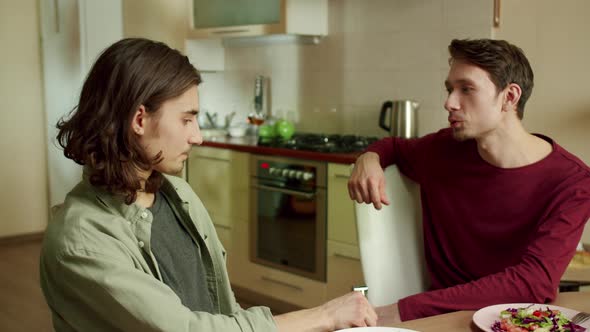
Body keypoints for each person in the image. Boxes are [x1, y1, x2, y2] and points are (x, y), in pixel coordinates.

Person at [40, 38, 377, 332]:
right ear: (139, 120)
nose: (197, 137)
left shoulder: (178, 196)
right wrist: (326, 315)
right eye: (186, 119)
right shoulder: (81, 241)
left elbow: (222, 312)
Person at [348, 38, 590, 323]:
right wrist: (368, 158)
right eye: (450, 89)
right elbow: (394, 147)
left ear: (509, 97)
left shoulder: (573, 182)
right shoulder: (442, 150)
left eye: (466, 89)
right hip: (444, 319)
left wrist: (403, 309)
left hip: (515, 320)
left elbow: (532, 283)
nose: (449, 102)